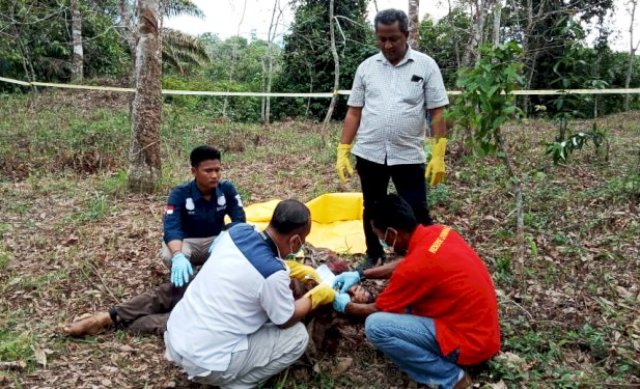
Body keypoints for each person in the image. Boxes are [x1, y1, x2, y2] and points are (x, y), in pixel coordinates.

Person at [63, 145, 246, 336]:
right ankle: (112, 317)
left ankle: (119, 320)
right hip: (189, 243)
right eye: (209, 171)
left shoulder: (227, 190)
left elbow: (239, 220)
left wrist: (227, 234)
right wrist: (177, 255)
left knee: (189, 303)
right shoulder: (180, 193)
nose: (215, 176)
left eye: (218, 170)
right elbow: (172, 228)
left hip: (219, 287)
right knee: (176, 282)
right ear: (194, 171)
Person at [332, 194, 500, 389]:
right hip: (484, 332)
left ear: (392, 234)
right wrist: (361, 274)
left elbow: (376, 309)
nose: (383, 243)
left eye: (380, 237)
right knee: (401, 309)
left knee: (376, 326)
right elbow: (410, 262)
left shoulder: (414, 269)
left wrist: (346, 306)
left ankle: (451, 379)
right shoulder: (439, 232)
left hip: (469, 343)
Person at [164, 199, 336, 388]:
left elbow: (251, 262)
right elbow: (285, 319)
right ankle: (237, 384)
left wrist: (291, 268)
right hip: (207, 362)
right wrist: (316, 296)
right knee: (297, 337)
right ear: (295, 241)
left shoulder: (237, 232)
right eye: (301, 242)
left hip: (177, 336)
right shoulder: (272, 275)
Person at [335, 8, 450, 268]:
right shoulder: (366, 68)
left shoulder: (425, 65)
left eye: (394, 38)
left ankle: (422, 258)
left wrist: (439, 151)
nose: (388, 45)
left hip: (408, 154)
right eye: (382, 39)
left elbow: (437, 111)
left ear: (406, 35)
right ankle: (373, 254)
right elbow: (354, 112)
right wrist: (343, 148)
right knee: (371, 207)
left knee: (416, 208)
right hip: (370, 153)